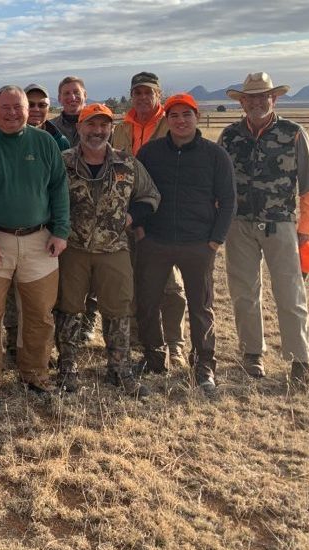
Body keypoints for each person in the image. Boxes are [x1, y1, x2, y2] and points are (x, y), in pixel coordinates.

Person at [0, 86, 70, 408]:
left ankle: (35, 373)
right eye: (5, 107)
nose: (11, 113)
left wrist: (60, 231)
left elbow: (58, 189)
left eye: (17, 107)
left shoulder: (45, 143)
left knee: (39, 315)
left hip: (40, 242)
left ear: (29, 110)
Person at [218, 72, 309, 388]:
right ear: (242, 102)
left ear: (273, 99)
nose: (256, 102)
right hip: (239, 225)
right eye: (250, 97)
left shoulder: (293, 134)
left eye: (262, 96)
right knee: (243, 292)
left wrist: (305, 229)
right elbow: (219, 183)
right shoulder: (229, 136)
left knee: (290, 294)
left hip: (281, 225)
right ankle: (252, 354)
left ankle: (300, 363)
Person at [56, 103, 160, 398]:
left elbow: (151, 195)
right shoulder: (62, 162)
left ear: (111, 129)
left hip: (114, 248)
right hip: (73, 248)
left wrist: (131, 217)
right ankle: (67, 369)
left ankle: (119, 370)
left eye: (103, 126)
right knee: (69, 309)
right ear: (79, 128)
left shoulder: (127, 164)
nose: (97, 131)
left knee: (118, 310)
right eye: (91, 125)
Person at [136, 93, 236, 395]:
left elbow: (229, 200)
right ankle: (154, 358)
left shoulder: (215, 155)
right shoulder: (150, 153)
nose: (180, 121)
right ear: (167, 120)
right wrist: (140, 230)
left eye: (186, 115)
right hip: (155, 240)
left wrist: (215, 241)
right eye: (174, 115)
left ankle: (204, 365)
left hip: (198, 243)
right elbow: (135, 192)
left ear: (197, 117)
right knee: (147, 302)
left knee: (201, 306)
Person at [111, 72, 188, 366]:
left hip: (163, 215)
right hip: (127, 215)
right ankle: (136, 341)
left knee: (169, 285)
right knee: (128, 280)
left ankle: (175, 344)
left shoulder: (173, 123)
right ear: (132, 95)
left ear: (159, 94)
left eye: (149, 92)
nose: (143, 98)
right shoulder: (121, 129)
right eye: (137, 93)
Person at [25, 84, 70, 150]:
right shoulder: (8, 139)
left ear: (48, 108)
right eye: (30, 104)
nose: (36, 109)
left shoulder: (60, 142)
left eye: (42, 105)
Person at [49, 76, 87, 146]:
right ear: (59, 98)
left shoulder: (98, 127)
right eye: (67, 93)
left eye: (76, 92)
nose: (72, 97)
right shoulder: (49, 127)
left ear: (85, 95)